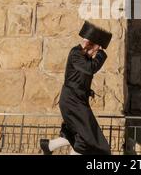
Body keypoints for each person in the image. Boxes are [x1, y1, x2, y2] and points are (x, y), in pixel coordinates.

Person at [40, 21, 112, 155]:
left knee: (77, 133)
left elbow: (78, 78)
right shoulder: (76, 54)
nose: (96, 52)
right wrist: (102, 54)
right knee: (88, 137)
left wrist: (87, 91)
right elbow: (91, 69)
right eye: (97, 49)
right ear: (91, 45)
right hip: (72, 102)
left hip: (77, 101)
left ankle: (49, 146)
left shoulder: (84, 58)